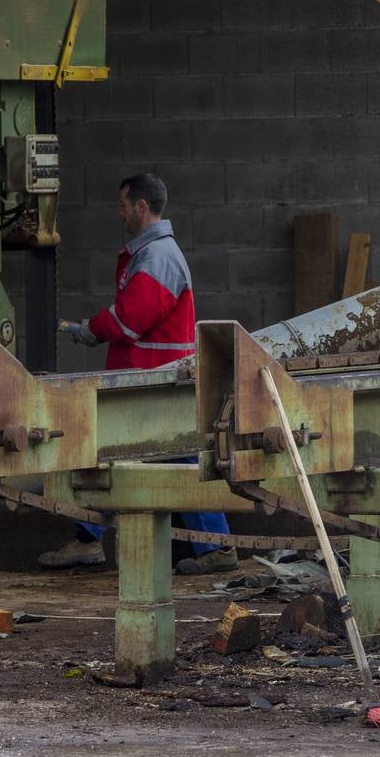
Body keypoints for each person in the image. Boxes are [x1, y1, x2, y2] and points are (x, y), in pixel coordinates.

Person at [40, 173, 237, 575]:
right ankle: (210, 547)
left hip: (155, 382)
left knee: (109, 452)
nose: (120, 212)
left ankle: (214, 547)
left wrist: (90, 329)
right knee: (159, 458)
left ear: (141, 207)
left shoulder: (158, 256)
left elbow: (132, 319)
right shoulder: (151, 253)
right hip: (152, 379)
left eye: (123, 204)